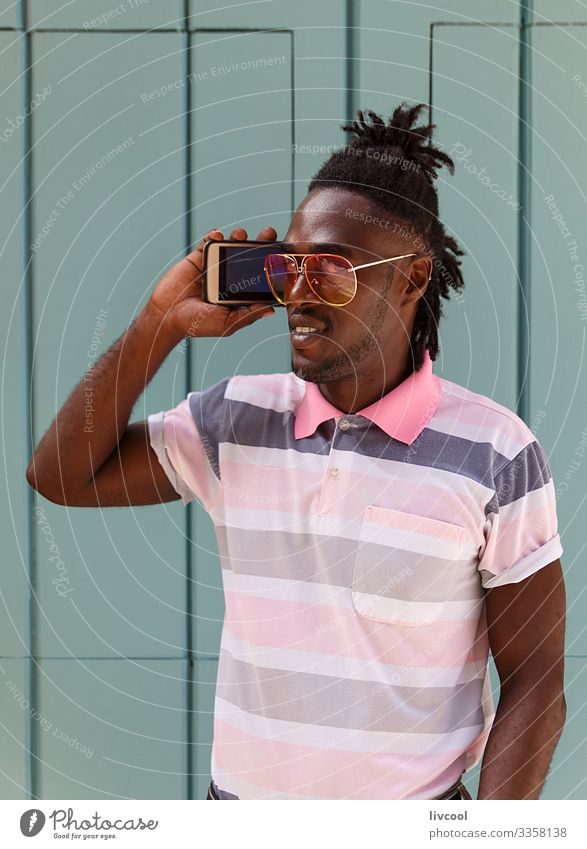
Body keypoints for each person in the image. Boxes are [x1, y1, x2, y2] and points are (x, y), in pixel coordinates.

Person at [26, 102, 566, 800]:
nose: (300, 297)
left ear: (411, 278)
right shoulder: (233, 420)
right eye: (287, 267)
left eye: (332, 270)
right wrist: (158, 322)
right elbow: (60, 474)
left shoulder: (496, 452)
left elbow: (534, 676)